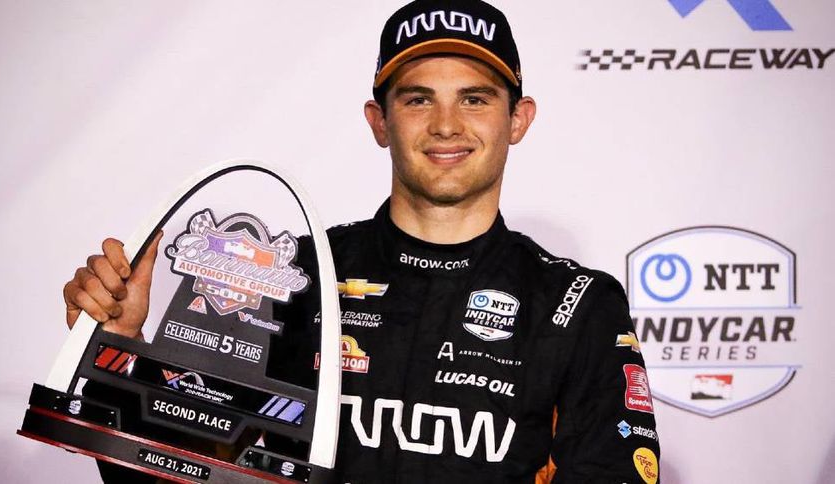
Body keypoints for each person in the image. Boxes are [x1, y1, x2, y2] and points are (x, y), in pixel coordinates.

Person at [63, 1, 660, 482]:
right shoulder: (289, 275)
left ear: (518, 119)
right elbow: (175, 469)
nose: (445, 125)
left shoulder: (578, 304)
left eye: (474, 99)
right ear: (379, 121)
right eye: (418, 99)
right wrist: (120, 349)